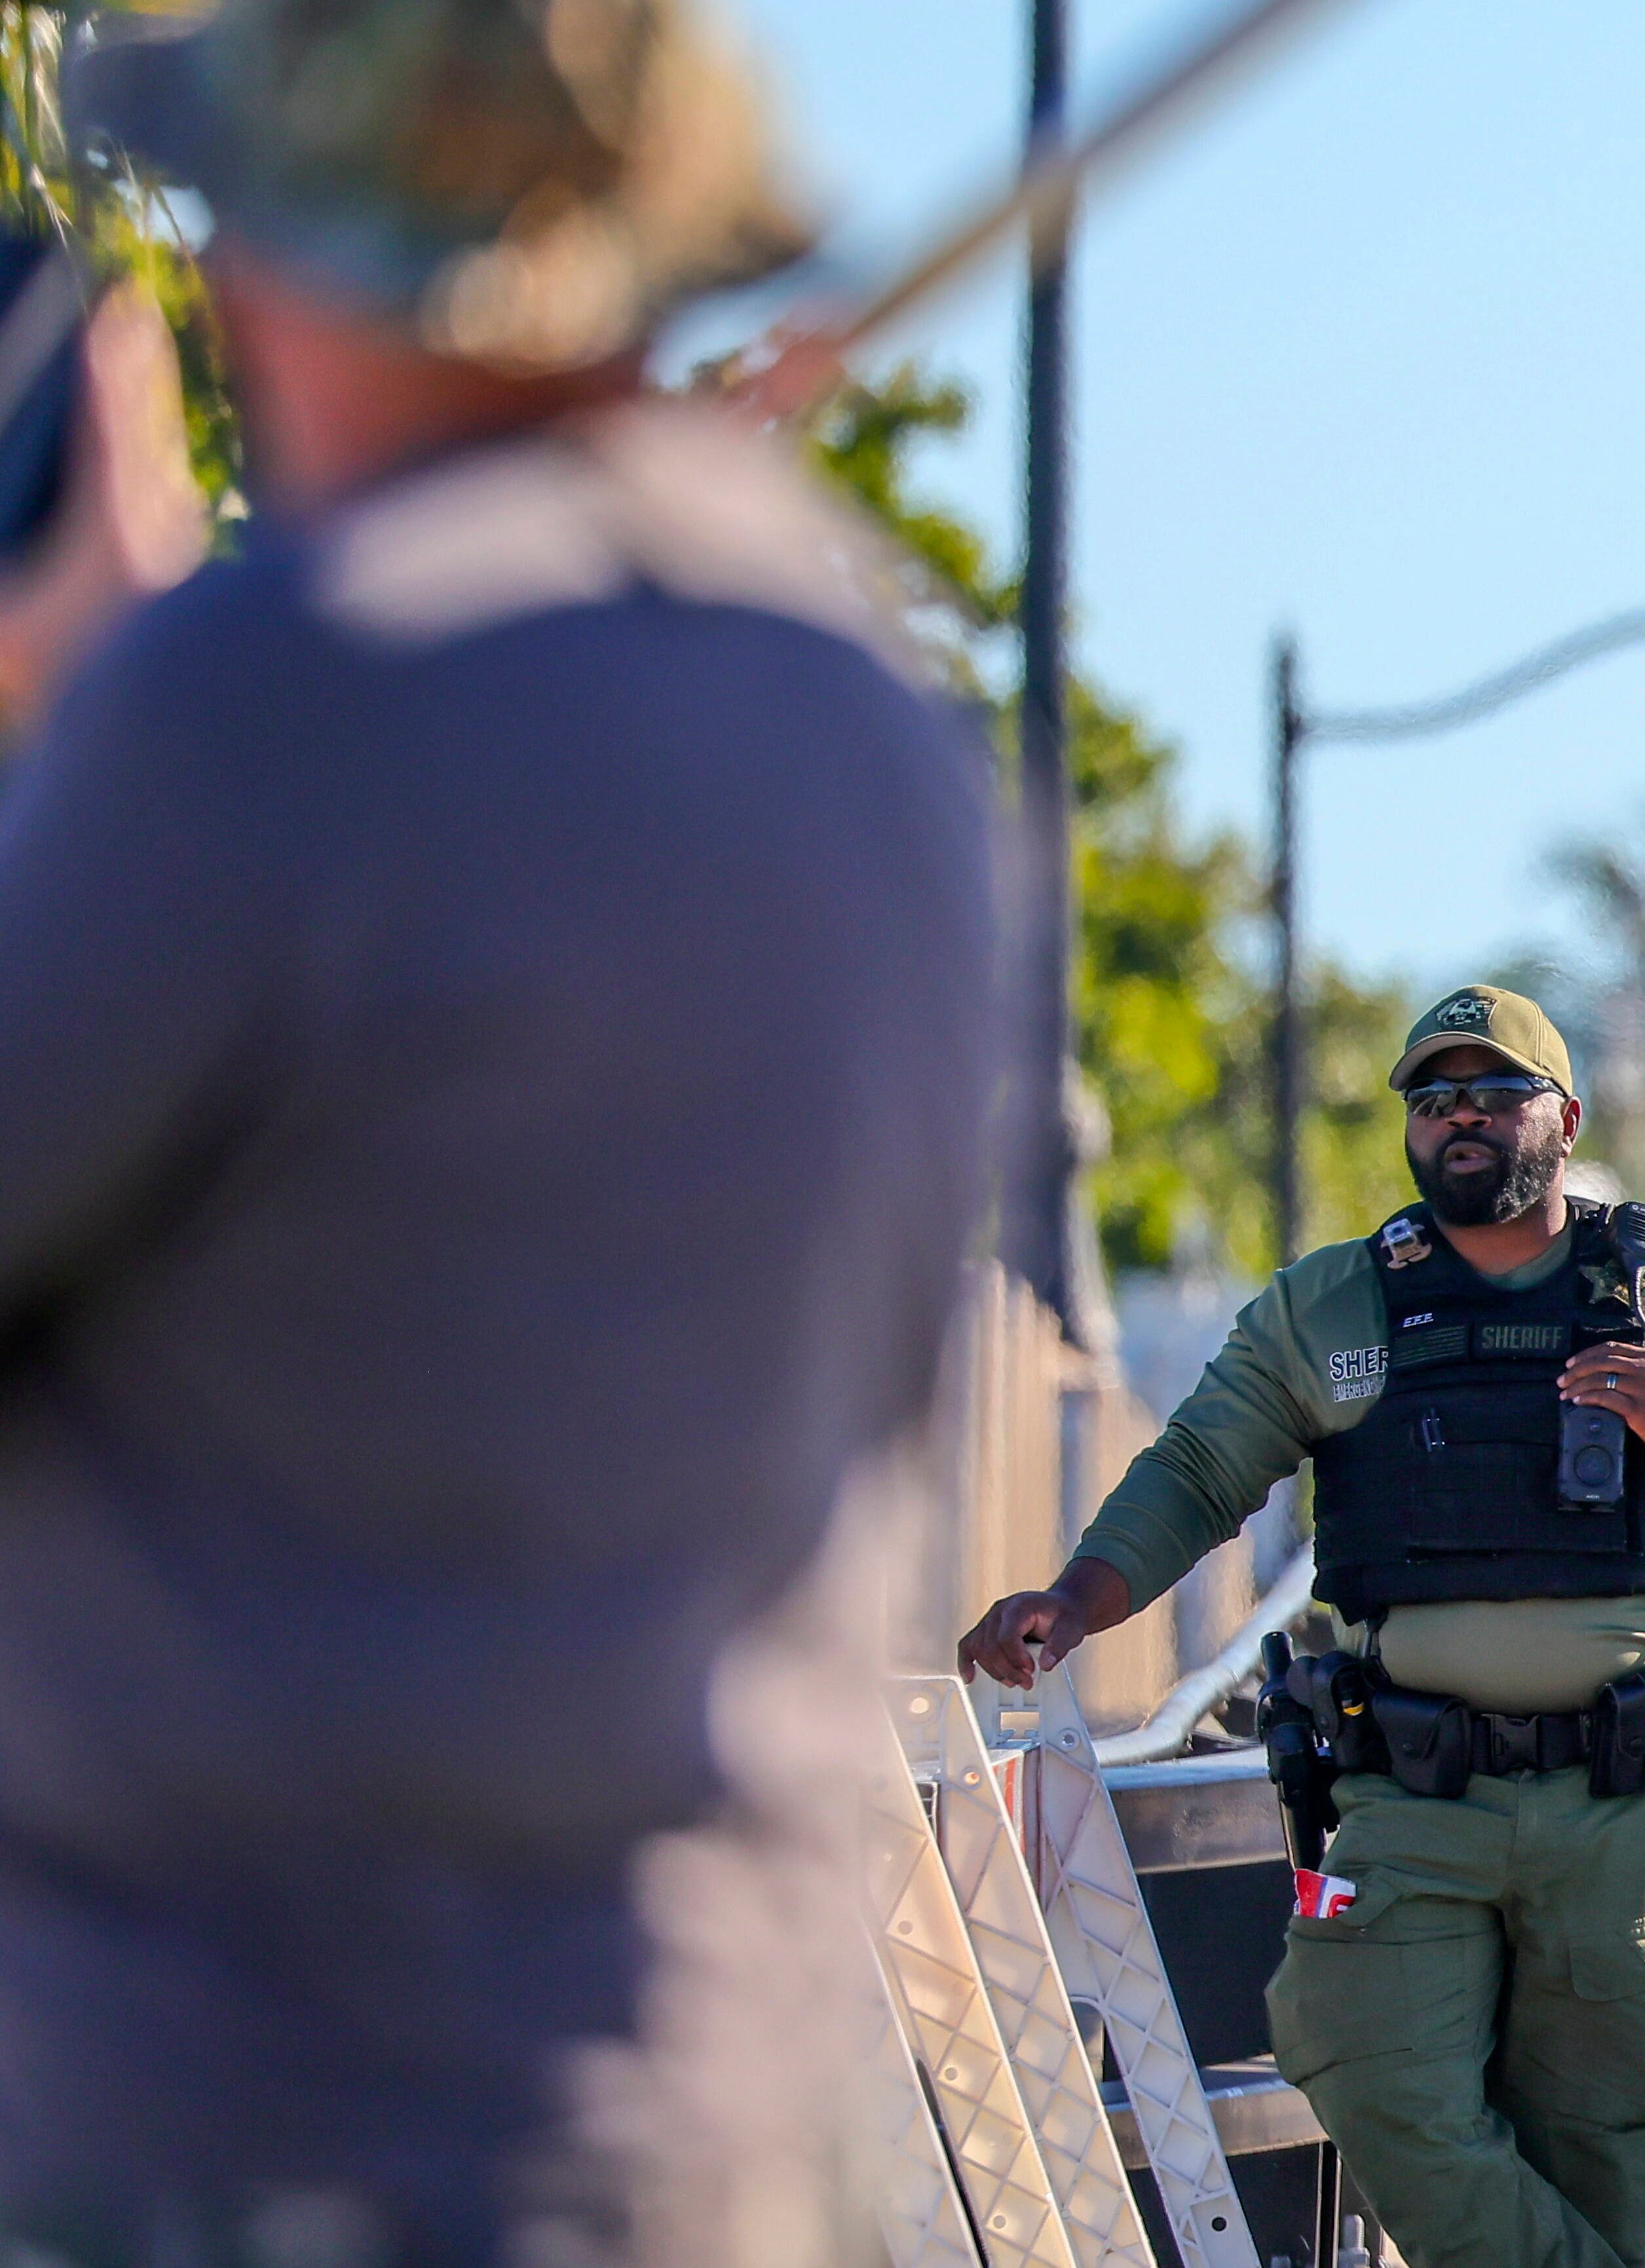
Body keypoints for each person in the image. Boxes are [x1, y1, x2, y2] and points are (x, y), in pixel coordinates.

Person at [0, 0, 1000, 2258]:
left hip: (240, 2144)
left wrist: (67, 712)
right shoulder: (867, 727)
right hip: (694, 2125)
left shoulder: (268, 713)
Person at [963, 984, 1645, 2268]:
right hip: (1409, 1807)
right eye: (1432, 1099)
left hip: (1623, 1820)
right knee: (1357, 2061)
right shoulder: (1332, 1306)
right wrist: (1075, 1599)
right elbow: (1199, 1472)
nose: (1461, 1120)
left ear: (1566, 1116)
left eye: (1494, 1094)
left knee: (1595, 2154)